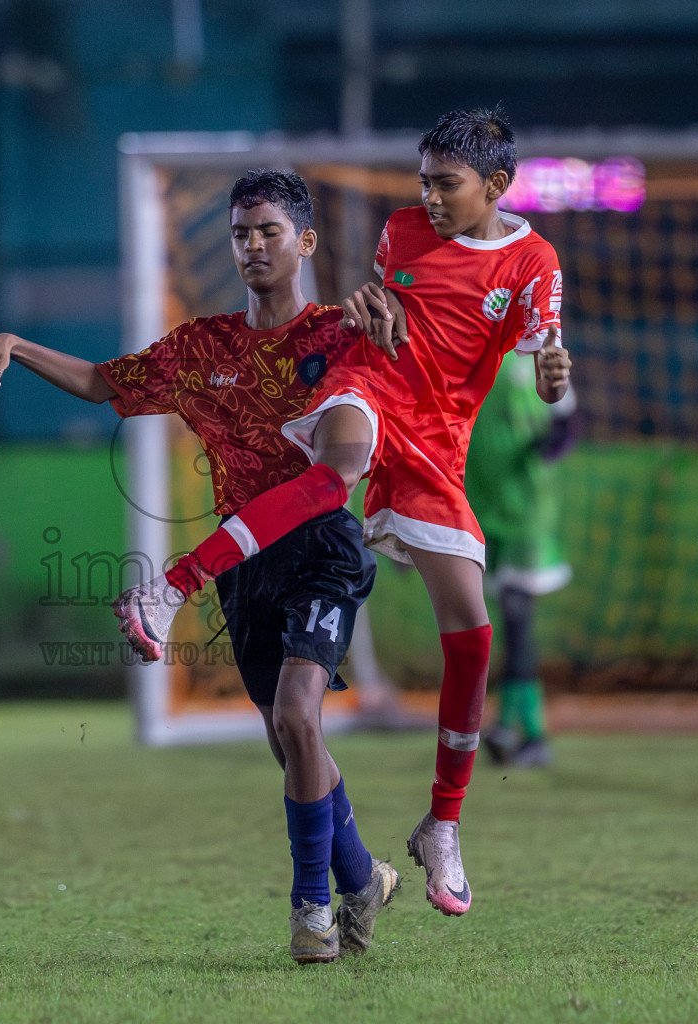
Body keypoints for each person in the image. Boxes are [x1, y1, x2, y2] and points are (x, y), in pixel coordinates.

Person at [113, 107, 572, 920]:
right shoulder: (399, 232)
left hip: (440, 440)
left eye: (446, 184)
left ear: (496, 186)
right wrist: (366, 313)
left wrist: (555, 376)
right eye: (422, 180)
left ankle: (442, 823)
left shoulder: (535, 264)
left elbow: (544, 376)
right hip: (371, 390)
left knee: (471, 630)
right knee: (336, 470)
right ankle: (171, 588)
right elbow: (386, 319)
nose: (427, 197)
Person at [0, 170, 397, 964]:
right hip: (244, 564)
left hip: (321, 551)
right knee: (286, 739)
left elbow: (349, 453)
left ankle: (311, 910)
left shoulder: (341, 336)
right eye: (240, 232)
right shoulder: (202, 348)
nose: (253, 245)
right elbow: (104, 384)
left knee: (301, 719)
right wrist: (17, 345)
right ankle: (361, 875)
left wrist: (395, 308)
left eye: (269, 230)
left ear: (303, 242)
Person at [465, 355, 577, 769]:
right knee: (494, 619)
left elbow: (567, 421)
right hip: (481, 504)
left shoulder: (537, 355)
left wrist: (544, 451)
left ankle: (525, 728)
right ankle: (516, 728)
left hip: (528, 510)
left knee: (516, 612)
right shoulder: (468, 352)